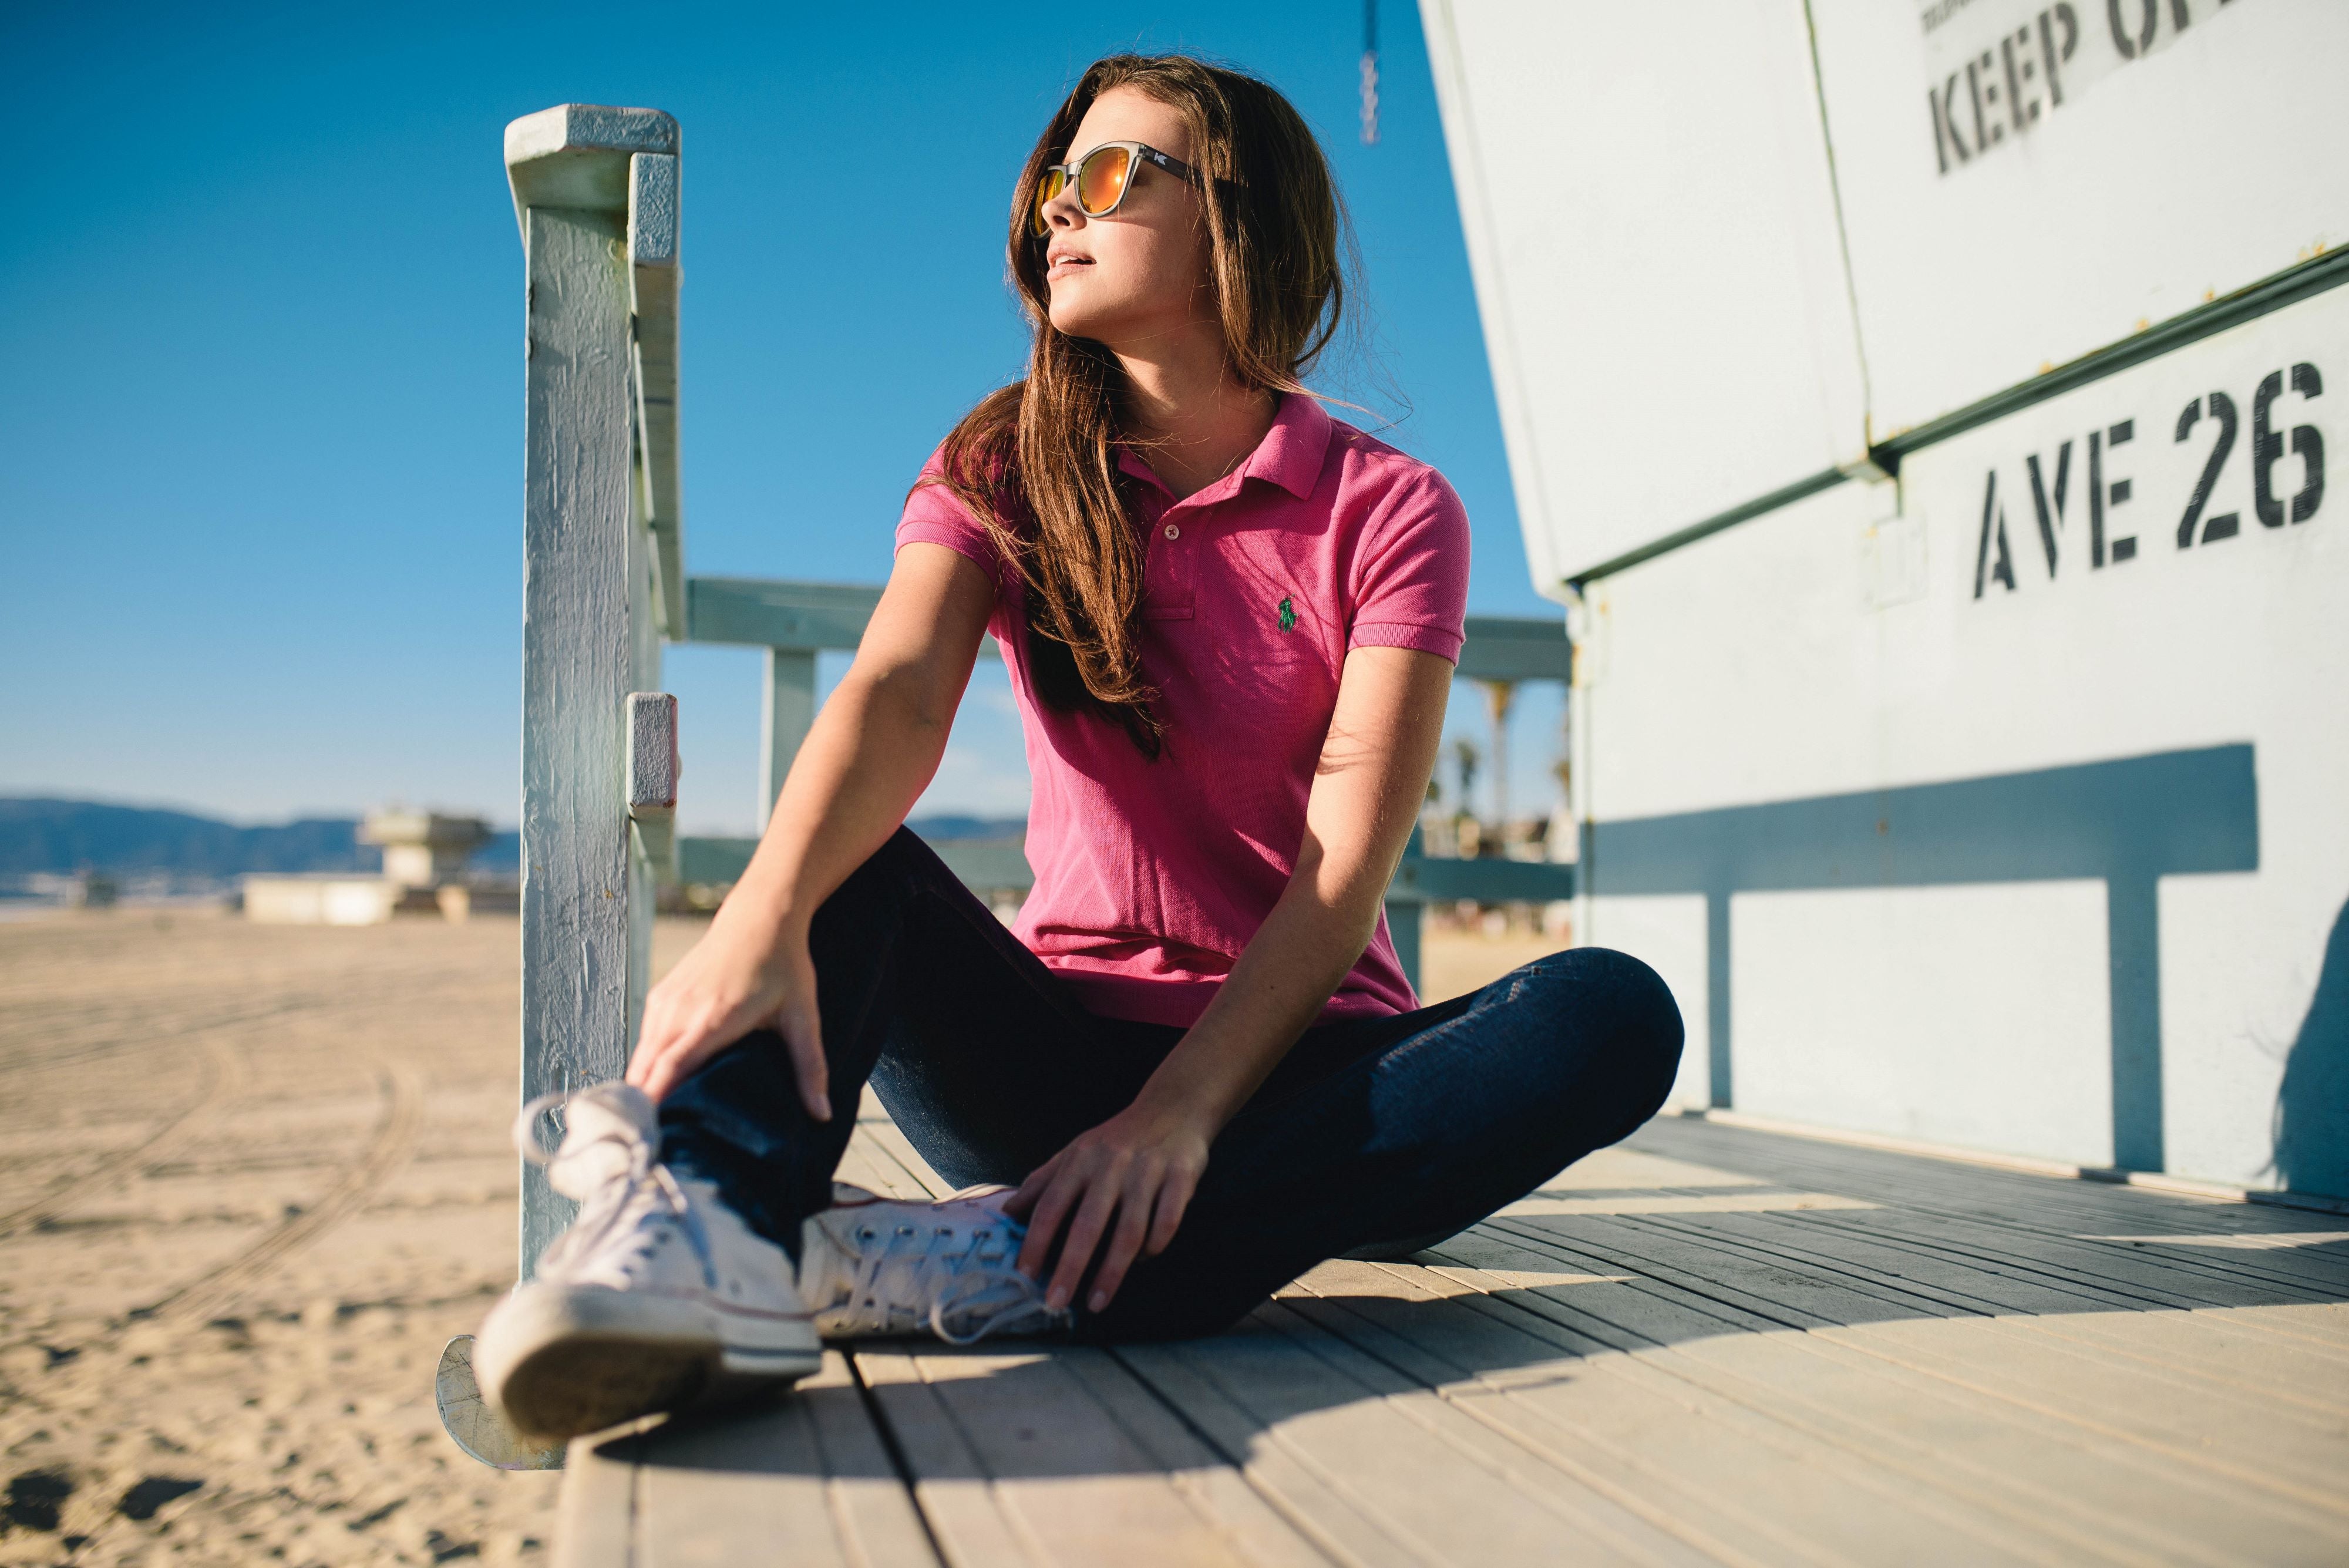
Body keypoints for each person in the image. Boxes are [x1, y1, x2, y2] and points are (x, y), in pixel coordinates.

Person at [473, 52, 1683, 1443]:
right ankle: (718, 1241)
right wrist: (764, 915)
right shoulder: (1001, 462)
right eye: (1054, 181)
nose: (1059, 209)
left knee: (1609, 1014)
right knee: (840, 865)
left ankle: (1004, 1261)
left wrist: (1173, 1122)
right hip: (1042, 1078)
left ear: (1236, 213)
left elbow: (1340, 875)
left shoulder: (1390, 507)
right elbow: (893, 695)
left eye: (1109, 176)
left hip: (1295, 1076)